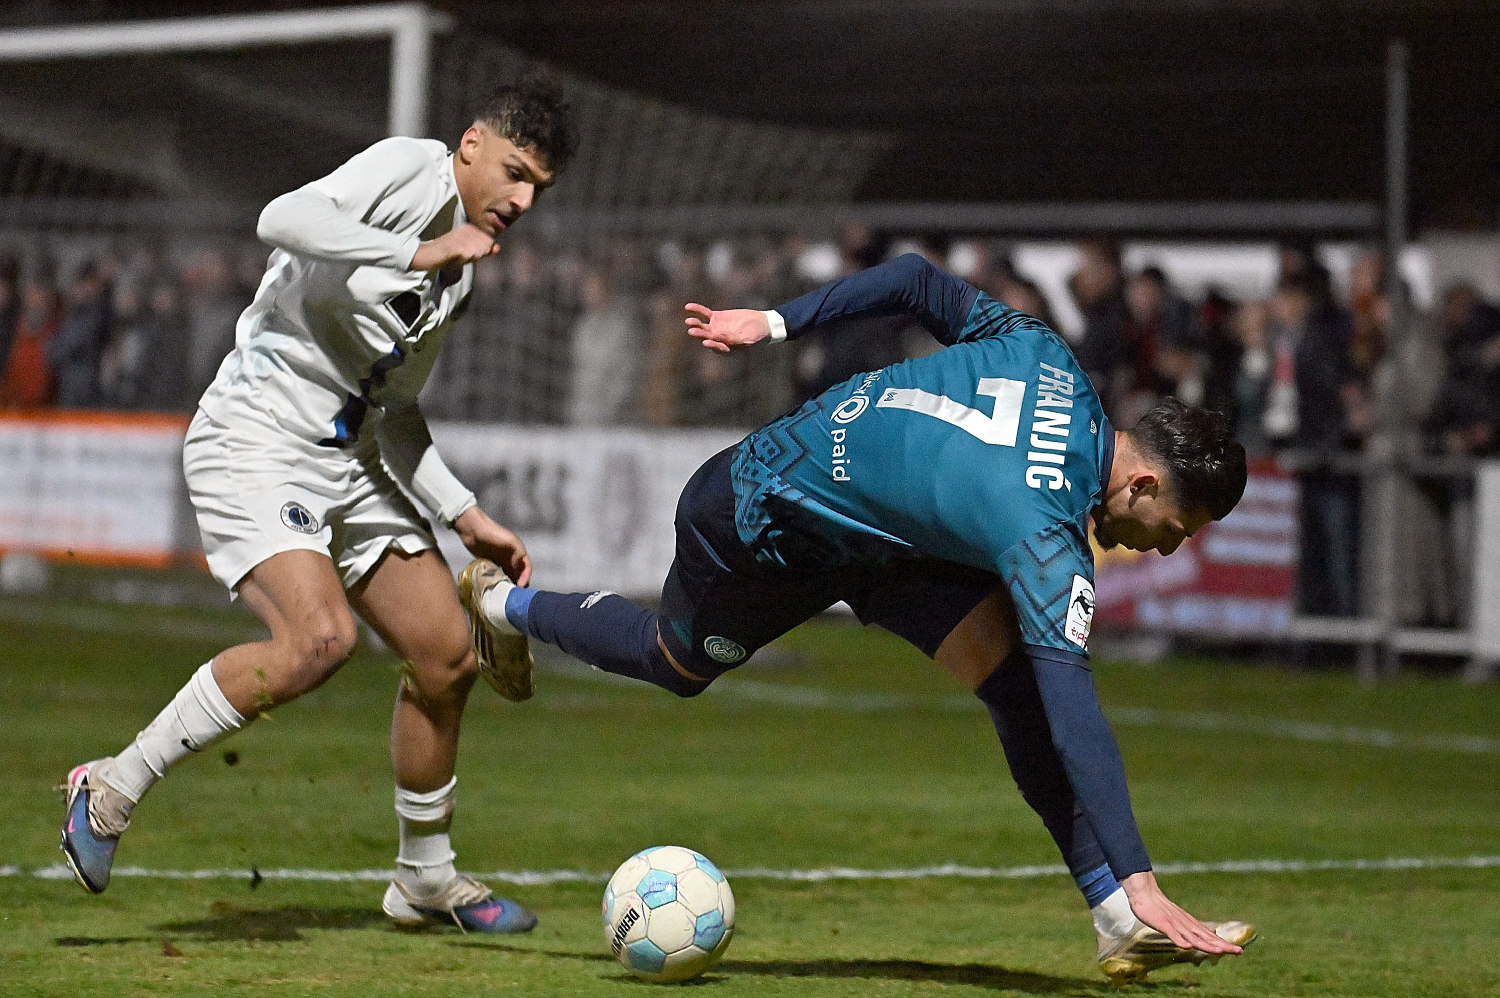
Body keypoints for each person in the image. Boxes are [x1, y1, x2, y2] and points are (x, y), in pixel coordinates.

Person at [459, 253, 1256, 983]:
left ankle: (1114, 920)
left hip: (880, 545)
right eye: (1174, 533)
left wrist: (775, 321)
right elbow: (1076, 716)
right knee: (676, 663)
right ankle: (502, 604)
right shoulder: (1046, 539)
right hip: (759, 516)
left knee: (1012, 688)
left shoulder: (1045, 353)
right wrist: (1147, 875)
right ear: (1145, 485)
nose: (1160, 552)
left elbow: (912, 277)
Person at [60, 79, 579, 934]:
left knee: (448, 655)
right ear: (472, 144)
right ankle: (110, 787)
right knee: (319, 639)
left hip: (350, 462)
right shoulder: (407, 172)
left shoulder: (460, 277)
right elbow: (281, 218)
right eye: (517, 174)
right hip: (254, 440)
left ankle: (423, 879)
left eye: (540, 192)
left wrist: (465, 514)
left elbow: (396, 410)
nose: (522, 202)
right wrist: (418, 253)